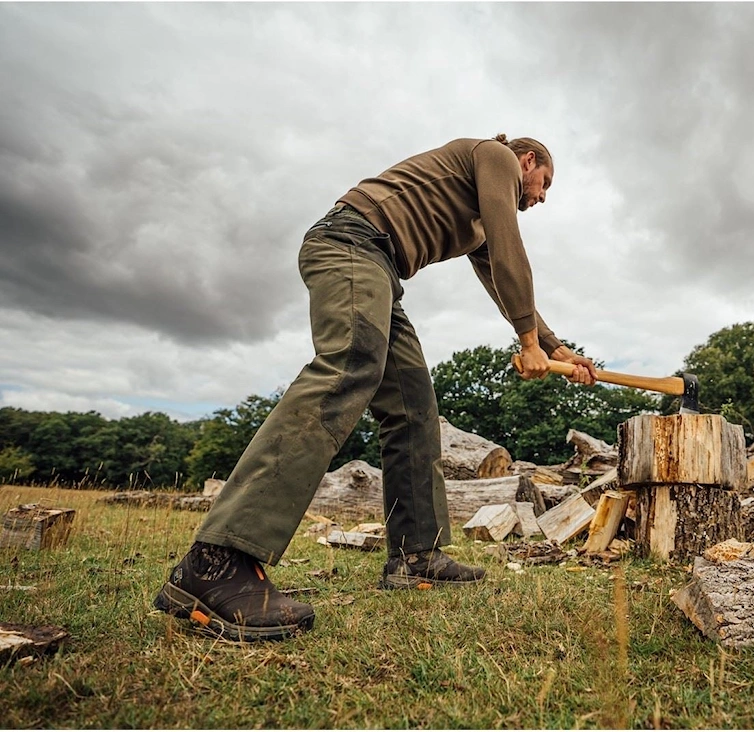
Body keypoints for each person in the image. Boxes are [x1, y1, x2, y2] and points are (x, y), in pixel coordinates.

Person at [153, 135, 597, 642]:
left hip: (381, 269)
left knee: (414, 406)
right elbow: (509, 243)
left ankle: (416, 556)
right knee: (350, 366)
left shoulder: (475, 219)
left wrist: (556, 349)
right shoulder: (494, 157)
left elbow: (500, 272)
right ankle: (218, 559)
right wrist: (525, 340)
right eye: (545, 184)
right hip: (349, 244)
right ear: (528, 160)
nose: (541, 197)